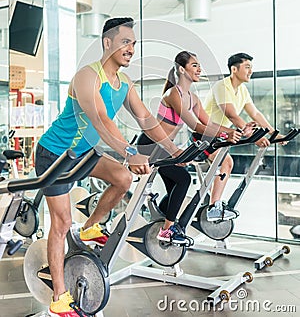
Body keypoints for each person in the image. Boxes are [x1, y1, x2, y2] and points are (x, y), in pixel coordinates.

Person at [35, 17, 181, 317]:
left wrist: (174, 149)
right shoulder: (87, 77)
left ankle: (90, 228)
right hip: (55, 154)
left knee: (123, 178)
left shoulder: (124, 83)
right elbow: (101, 121)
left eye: (134, 44)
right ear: (107, 43)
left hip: (83, 154)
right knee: (61, 224)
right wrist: (130, 152)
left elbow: (146, 120)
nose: (131, 49)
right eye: (125, 42)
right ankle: (59, 298)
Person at [137, 50, 242, 242]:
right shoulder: (173, 94)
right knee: (183, 179)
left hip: (165, 146)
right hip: (151, 144)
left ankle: (161, 219)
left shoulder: (192, 97)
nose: (199, 68)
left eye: (199, 65)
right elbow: (194, 125)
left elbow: (209, 124)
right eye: (194, 65)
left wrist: (233, 130)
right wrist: (225, 133)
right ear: (181, 70)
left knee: (176, 187)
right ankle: (167, 231)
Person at [204, 52, 277, 220]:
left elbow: (255, 113)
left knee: (226, 164)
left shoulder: (242, 90)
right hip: (205, 134)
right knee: (226, 163)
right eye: (247, 67)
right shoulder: (222, 86)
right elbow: (231, 115)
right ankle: (213, 208)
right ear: (234, 69)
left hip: (222, 135)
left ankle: (214, 205)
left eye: (251, 67)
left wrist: (273, 132)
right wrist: (253, 135)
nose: (250, 71)